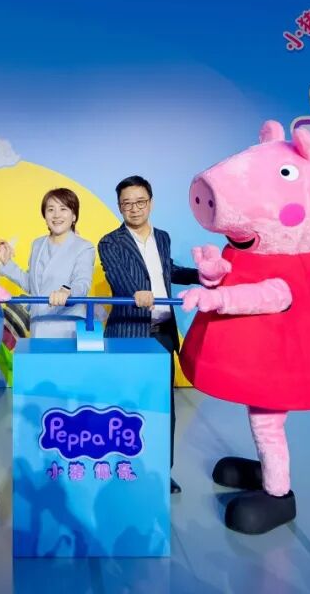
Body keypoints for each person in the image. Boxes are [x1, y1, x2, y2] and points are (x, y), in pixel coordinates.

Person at [98, 175, 200, 494]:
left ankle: (160, 471)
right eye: (126, 203)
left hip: (163, 335)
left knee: (163, 407)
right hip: (129, 334)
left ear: (151, 203)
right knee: (128, 406)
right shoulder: (110, 242)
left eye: (140, 201)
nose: (134, 208)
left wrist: (204, 275)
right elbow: (119, 278)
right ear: (120, 206)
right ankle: (124, 468)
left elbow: (169, 270)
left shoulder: (163, 238)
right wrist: (136, 292)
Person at [0, 188, 95, 338]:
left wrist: (67, 292)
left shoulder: (84, 247)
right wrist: (7, 263)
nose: (56, 215)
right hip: (37, 325)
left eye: (63, 209)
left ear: (74, 216)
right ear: (44, 215)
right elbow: (32, 285)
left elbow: (82, 283)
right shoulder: (38, 244)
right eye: (51, 209)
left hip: (67, 327)